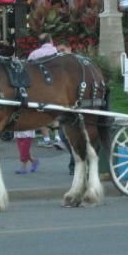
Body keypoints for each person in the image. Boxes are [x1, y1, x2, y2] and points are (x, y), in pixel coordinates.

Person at [28, 33, 61, 147]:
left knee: (41, 112)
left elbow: (28, 70)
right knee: (55, 110)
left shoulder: (34, 54)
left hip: (39, 87)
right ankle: (57, 137)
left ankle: (46, 139)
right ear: (51, 41)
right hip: (57, 86)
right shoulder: (57, 52)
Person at [56, 41, 74, 174]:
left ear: (70, 49)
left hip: (77, 106)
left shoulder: (76, 65)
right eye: (58, 51)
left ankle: (75, 161)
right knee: (63, 135)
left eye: (63, 50)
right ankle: (74, 158)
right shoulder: (59, 68)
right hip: (64, 107)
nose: (60, 53)